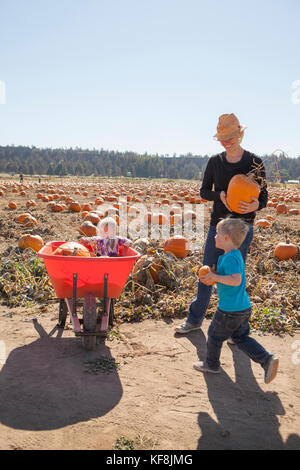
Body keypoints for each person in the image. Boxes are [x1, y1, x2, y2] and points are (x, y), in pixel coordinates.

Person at [175, 113, 268, 334]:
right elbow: (204, 191)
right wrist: (221, 196)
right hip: (219, 226)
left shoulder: (255, 162)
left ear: (240, 135)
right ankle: (194, 319)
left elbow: (263, 197)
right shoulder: (215, 162)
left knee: (237, 276)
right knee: (207, 270)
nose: (226, 142)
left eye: (230, 138)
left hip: (242, 228)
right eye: (222, 139)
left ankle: (238, 328)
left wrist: (255, 206)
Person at [193, 217, 279, 384]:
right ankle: (267, 359)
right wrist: (214, 276)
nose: (214, 236)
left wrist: (215, 277)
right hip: (242, 307)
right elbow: (228, 278)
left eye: (217, 234)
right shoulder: (233, 255)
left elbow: (235, 280)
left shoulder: (230, 258)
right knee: (241, 338)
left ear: (226, 238)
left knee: (214, 335)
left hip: (229, 310)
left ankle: (211, 364)